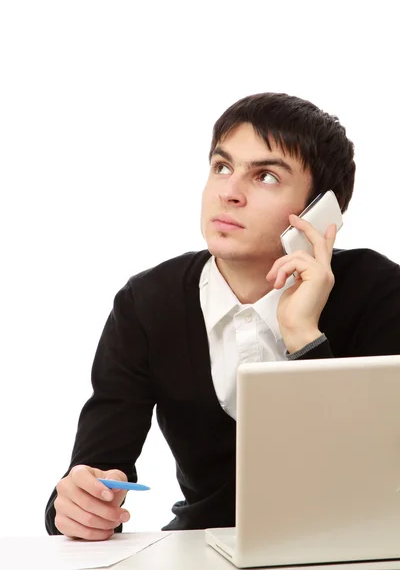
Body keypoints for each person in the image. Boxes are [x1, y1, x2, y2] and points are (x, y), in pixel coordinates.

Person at [45, 92, 400, 541]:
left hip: (352, 545)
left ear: (319, 211)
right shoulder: (146, 303)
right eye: (222, 167)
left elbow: (371, 472)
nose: (229, 193)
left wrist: (304, 337)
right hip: (201, 546)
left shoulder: (378, 291)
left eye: (266, 176)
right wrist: (78, 503)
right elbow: (93, 469)